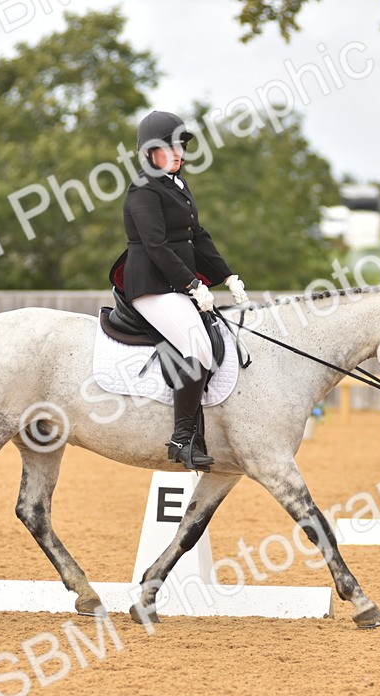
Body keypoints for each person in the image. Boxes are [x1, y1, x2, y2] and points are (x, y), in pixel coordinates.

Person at [121, 110, 248, 471]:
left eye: (181, 145)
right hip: (150, 287)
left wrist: (227, 275)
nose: (178, 152)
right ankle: (181, 439)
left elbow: (197, 236)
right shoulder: (143, 189)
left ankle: (199, 432)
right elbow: (157, 246)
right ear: (149, 153)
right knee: (198, 345)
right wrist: (192, 284)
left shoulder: (177, 185)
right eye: (169, 147)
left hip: (173, 284)